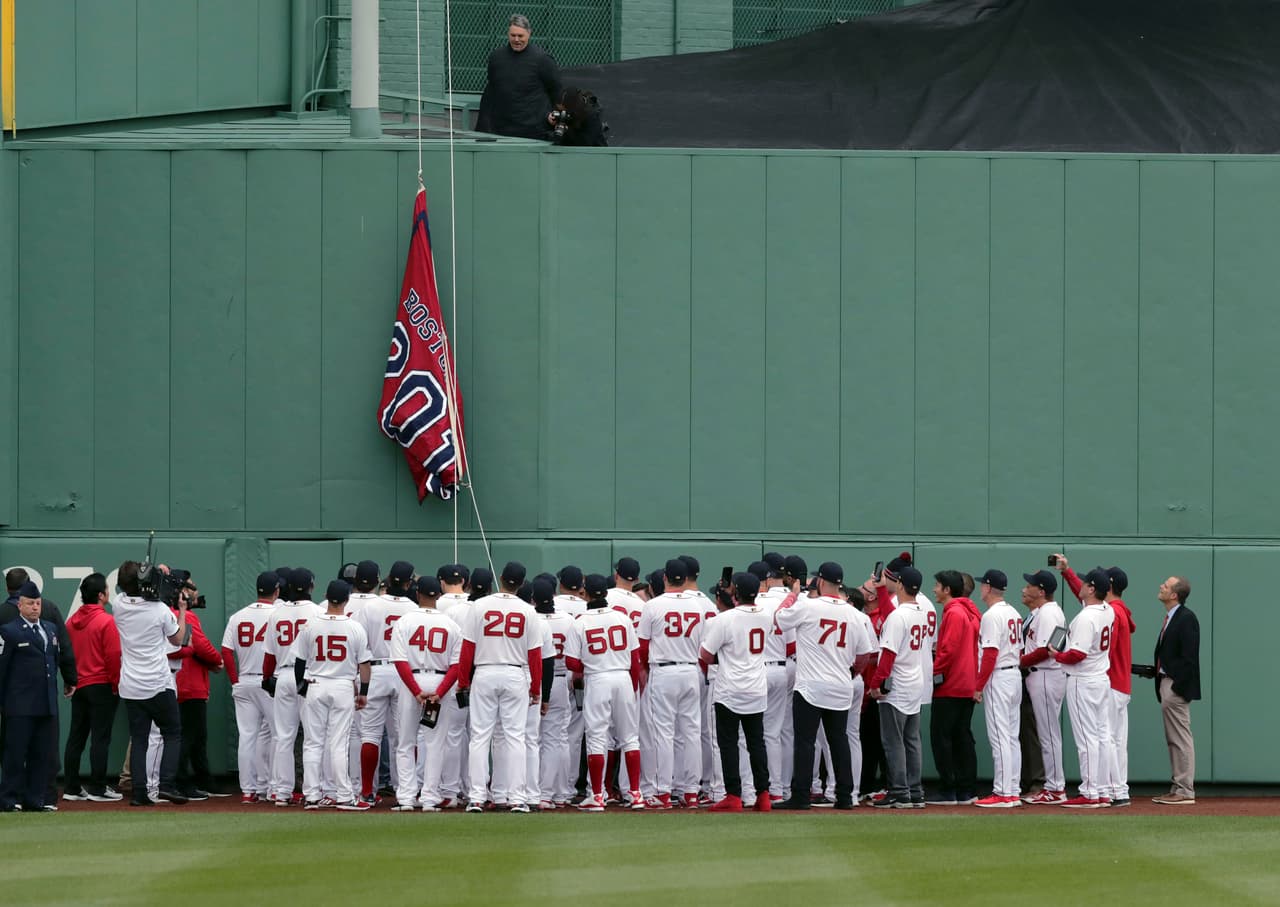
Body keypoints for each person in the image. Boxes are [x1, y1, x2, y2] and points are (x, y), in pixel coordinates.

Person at [774, 562, 871, 811]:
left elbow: (780, 620)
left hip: (810, 686)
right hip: (840, 685)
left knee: (805, 742)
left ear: (820, 581)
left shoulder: (808, 605)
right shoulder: (854, 613)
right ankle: (845, 796)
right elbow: (863, 655)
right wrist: (851, 673)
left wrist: (793, 595)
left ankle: (801, 796)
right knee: (839, 741)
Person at [456, 561, 542, 813]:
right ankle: (516, 798)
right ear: (523, 584)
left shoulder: (479, 606)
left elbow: (467, 648)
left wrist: (463, 681)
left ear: (501, 578)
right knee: (516, 737)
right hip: (515, 674)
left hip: (484, 671)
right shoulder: (528, 610)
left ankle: (476, 797)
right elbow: (535, 654)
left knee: (480, 737)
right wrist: (535, 687)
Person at [112, 561, 190, 806]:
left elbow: (137, 585)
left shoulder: (118, 605)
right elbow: (178, 640)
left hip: (131, 686)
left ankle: (139, 793)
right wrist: (183, 610)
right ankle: (166, 784)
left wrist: (154, 574)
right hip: (157, 683)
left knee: (140, 738)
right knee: (173, 733)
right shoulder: (159, 610)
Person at [563, 574, 643, 811]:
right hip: (623, 677)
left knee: (597, 737)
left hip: (598, 678)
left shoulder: (580, 621)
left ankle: (597, 795)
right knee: (630, 737)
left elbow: (571, 662)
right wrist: (633, 685)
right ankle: (636, 793)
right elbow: (635, 658)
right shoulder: (622, 617)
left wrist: (591, 665)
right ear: (606, 594)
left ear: (585, 593)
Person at [698, 571, 773, 813]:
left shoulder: (725, 619)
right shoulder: (767, 615)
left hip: (730, 688)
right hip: (756, 687)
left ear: (736, 592)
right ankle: (763, 794)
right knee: (756, 743)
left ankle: (733, 795)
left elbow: (706, 655)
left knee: (728, 744)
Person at [296, 580, 372, 810]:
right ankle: (344, 796)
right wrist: (364, 693)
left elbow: (299, 662)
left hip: (316, 683)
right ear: (347, 599)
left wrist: (303, 688)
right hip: (342, 685)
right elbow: (365, 665)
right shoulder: (355, 627)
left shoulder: (310, 624)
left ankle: (311, 796)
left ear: (327, 597)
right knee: (338, 744)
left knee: (312, 743)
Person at [390, 575, 463, 811]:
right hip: (440, 681)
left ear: (418, 593)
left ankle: (407, 798)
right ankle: (430, 798)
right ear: (438, 596)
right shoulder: (451, 624)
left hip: (413, 680)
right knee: (435, 744)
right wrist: (439, 692)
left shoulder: (405, 621)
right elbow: (456, 666)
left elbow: (400, 662)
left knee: (406, 742)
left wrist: (416, 691)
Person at [636, 558, 705, 809]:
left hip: (663, 671)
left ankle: (663, 792)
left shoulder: (653, 606)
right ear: (685, 579)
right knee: (691, 733)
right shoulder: (698, 605)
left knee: (663, 733)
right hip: (690, 670)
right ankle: (691, 793)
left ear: (665, 578)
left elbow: (642, 648)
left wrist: (648, 666)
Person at [868, 564, 934, 809]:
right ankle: (915, 791)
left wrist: (876, 684)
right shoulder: (919, 609)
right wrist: (883, 592)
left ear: (902, 585)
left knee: (893, 741)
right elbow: (891, 616)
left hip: (897, 682)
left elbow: (888, 655)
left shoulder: (899, 615)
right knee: (911, 740)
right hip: (916, 680)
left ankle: (899, 792)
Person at [1050, 567, 1115, 808]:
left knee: (1087, 740)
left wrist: (1057, 655)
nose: (1082, 586)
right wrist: (1067, 572)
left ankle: (1089, 792)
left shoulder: (1086, 618)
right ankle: (1103, 790)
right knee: (1102, 737)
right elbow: (1086, 601)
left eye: (1085, 583)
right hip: (1101, 679)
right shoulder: (1107, 610)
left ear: (1091, 589)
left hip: (1083, 681)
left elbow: (1077, 654)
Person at [0, 581, 67, 812]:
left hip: (46, 703)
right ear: (20, 605)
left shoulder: (50, 629)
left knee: (42, 755)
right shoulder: (9, 631)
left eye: (37, 603)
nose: (35, 608)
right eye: (30, 603)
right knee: (16, 754)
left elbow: (54, 662)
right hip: (19, 705)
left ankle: (35, 798)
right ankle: (10, 798)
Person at [353, 560, 414, 806]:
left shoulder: (371, 605)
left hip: (375, 670)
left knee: (370, 735)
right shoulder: (413, 608)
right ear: (409, 583)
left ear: (387, 580)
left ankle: (367, 792)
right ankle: (406, 792)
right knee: (404, 736)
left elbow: (359, 641)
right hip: (403, 671)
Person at [261, 568, 322, 807]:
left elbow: (268, 655)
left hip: (283, 674)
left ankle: (282, 792)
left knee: (284, 737)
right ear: (311, 586)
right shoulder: (318, 612)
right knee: (312, 737)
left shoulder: (276, 613)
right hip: (308, 676)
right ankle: (312, 791)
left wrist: (267, 679)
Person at [62, 573, 122, 802]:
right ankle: (97, 787)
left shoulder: (70, 622)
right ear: (101, 595)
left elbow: (65, 656)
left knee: (76, 736)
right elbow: (114, 656)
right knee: (100, 738)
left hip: (80, 685)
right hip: (102, 685)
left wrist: (71, 680)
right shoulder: (107, 621)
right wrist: (116, 685)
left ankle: (71, 787)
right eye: (107, 588)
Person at [222, 571, 279, 804]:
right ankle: (274, 788)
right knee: (278, 736)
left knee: (248, 737)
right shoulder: (278, 614)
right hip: (269, 681)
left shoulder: (237, 616)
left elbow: (226, 650)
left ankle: (249, 790)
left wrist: (235, 680)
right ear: (276, 591)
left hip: (244, 680)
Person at [926, 570, 979, 806]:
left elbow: (948, 651)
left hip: (951, 684)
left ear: (948, 590)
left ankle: (950, 789)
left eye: (938, 585)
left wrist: (934, 673)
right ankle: (966, 789)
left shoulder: (955, 612)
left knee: (942, 738)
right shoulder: (969, 611)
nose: (935, 589)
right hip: (966, 683)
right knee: (962, 738)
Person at [972, 569, 1023, 807]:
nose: (980, 587)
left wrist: (979, 686)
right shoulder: (1013, 611)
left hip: (1000, 677)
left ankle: (1003, 792)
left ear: (988, 588)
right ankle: (1012, 789)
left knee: (1001, 737)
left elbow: (990, 654)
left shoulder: (992, 616)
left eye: (983, 584)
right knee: (1011, 737)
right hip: (1014, 675)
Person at [1018, 568, 1067, 805]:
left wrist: (1017, 662)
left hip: (1046, 674)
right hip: (1042, 676)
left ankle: (1056, 788)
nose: (1025, 588)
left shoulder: (1049, 613)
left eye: (1030, 585)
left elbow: (1047, 651)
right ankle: (1053, 786)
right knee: (1047, 735)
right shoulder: (1044, 611)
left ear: (1041, 591)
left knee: (1048, 736)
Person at [1151, 576, 1200, 806]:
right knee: (1174, 738)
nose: (1161, 586)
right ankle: (1178, 786)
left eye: (1166, 585)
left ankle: (1184, 789)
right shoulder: (1172, 617)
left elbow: (1189, 659)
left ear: (1174, 595)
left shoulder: (1186, 618)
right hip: (1166, 683)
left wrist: (1176, 685)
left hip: (1175, 686)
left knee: (1180, 738)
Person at [172, 578, 222, 800]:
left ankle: (204, 781)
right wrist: (217, 661)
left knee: (196, 737)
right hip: (189, 685)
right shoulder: (185, 615)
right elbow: (202, 647)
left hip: (183, 683)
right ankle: (182, 783)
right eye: (191, 587)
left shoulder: (169, 613)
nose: (196, 591)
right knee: (188, 737)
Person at [751, 560, 796, 804]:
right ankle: (780, 788)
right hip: (782, 667)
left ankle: (754, 789)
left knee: (749, 734)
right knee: (777, 733)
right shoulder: (786, 602)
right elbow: (791, 645)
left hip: (756, 671)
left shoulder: (753, 603)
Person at [475, 14, 561, 140]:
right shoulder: (496, 58)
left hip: (533, 131)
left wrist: (554, 115)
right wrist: (483, 126)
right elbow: (491, 91)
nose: (516, 39)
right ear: (508, 34)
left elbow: (556, 90)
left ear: (529, 34)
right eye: (513, 35)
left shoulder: (543, 60)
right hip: (501, 130)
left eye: (520, 36)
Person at [534, 578, 576, 808]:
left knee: (532, 739)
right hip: (560, 679)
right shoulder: (568, 620)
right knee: (557, 739)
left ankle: (536, 792)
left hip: (532, 681)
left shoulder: (530, 618)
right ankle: (556, 793)